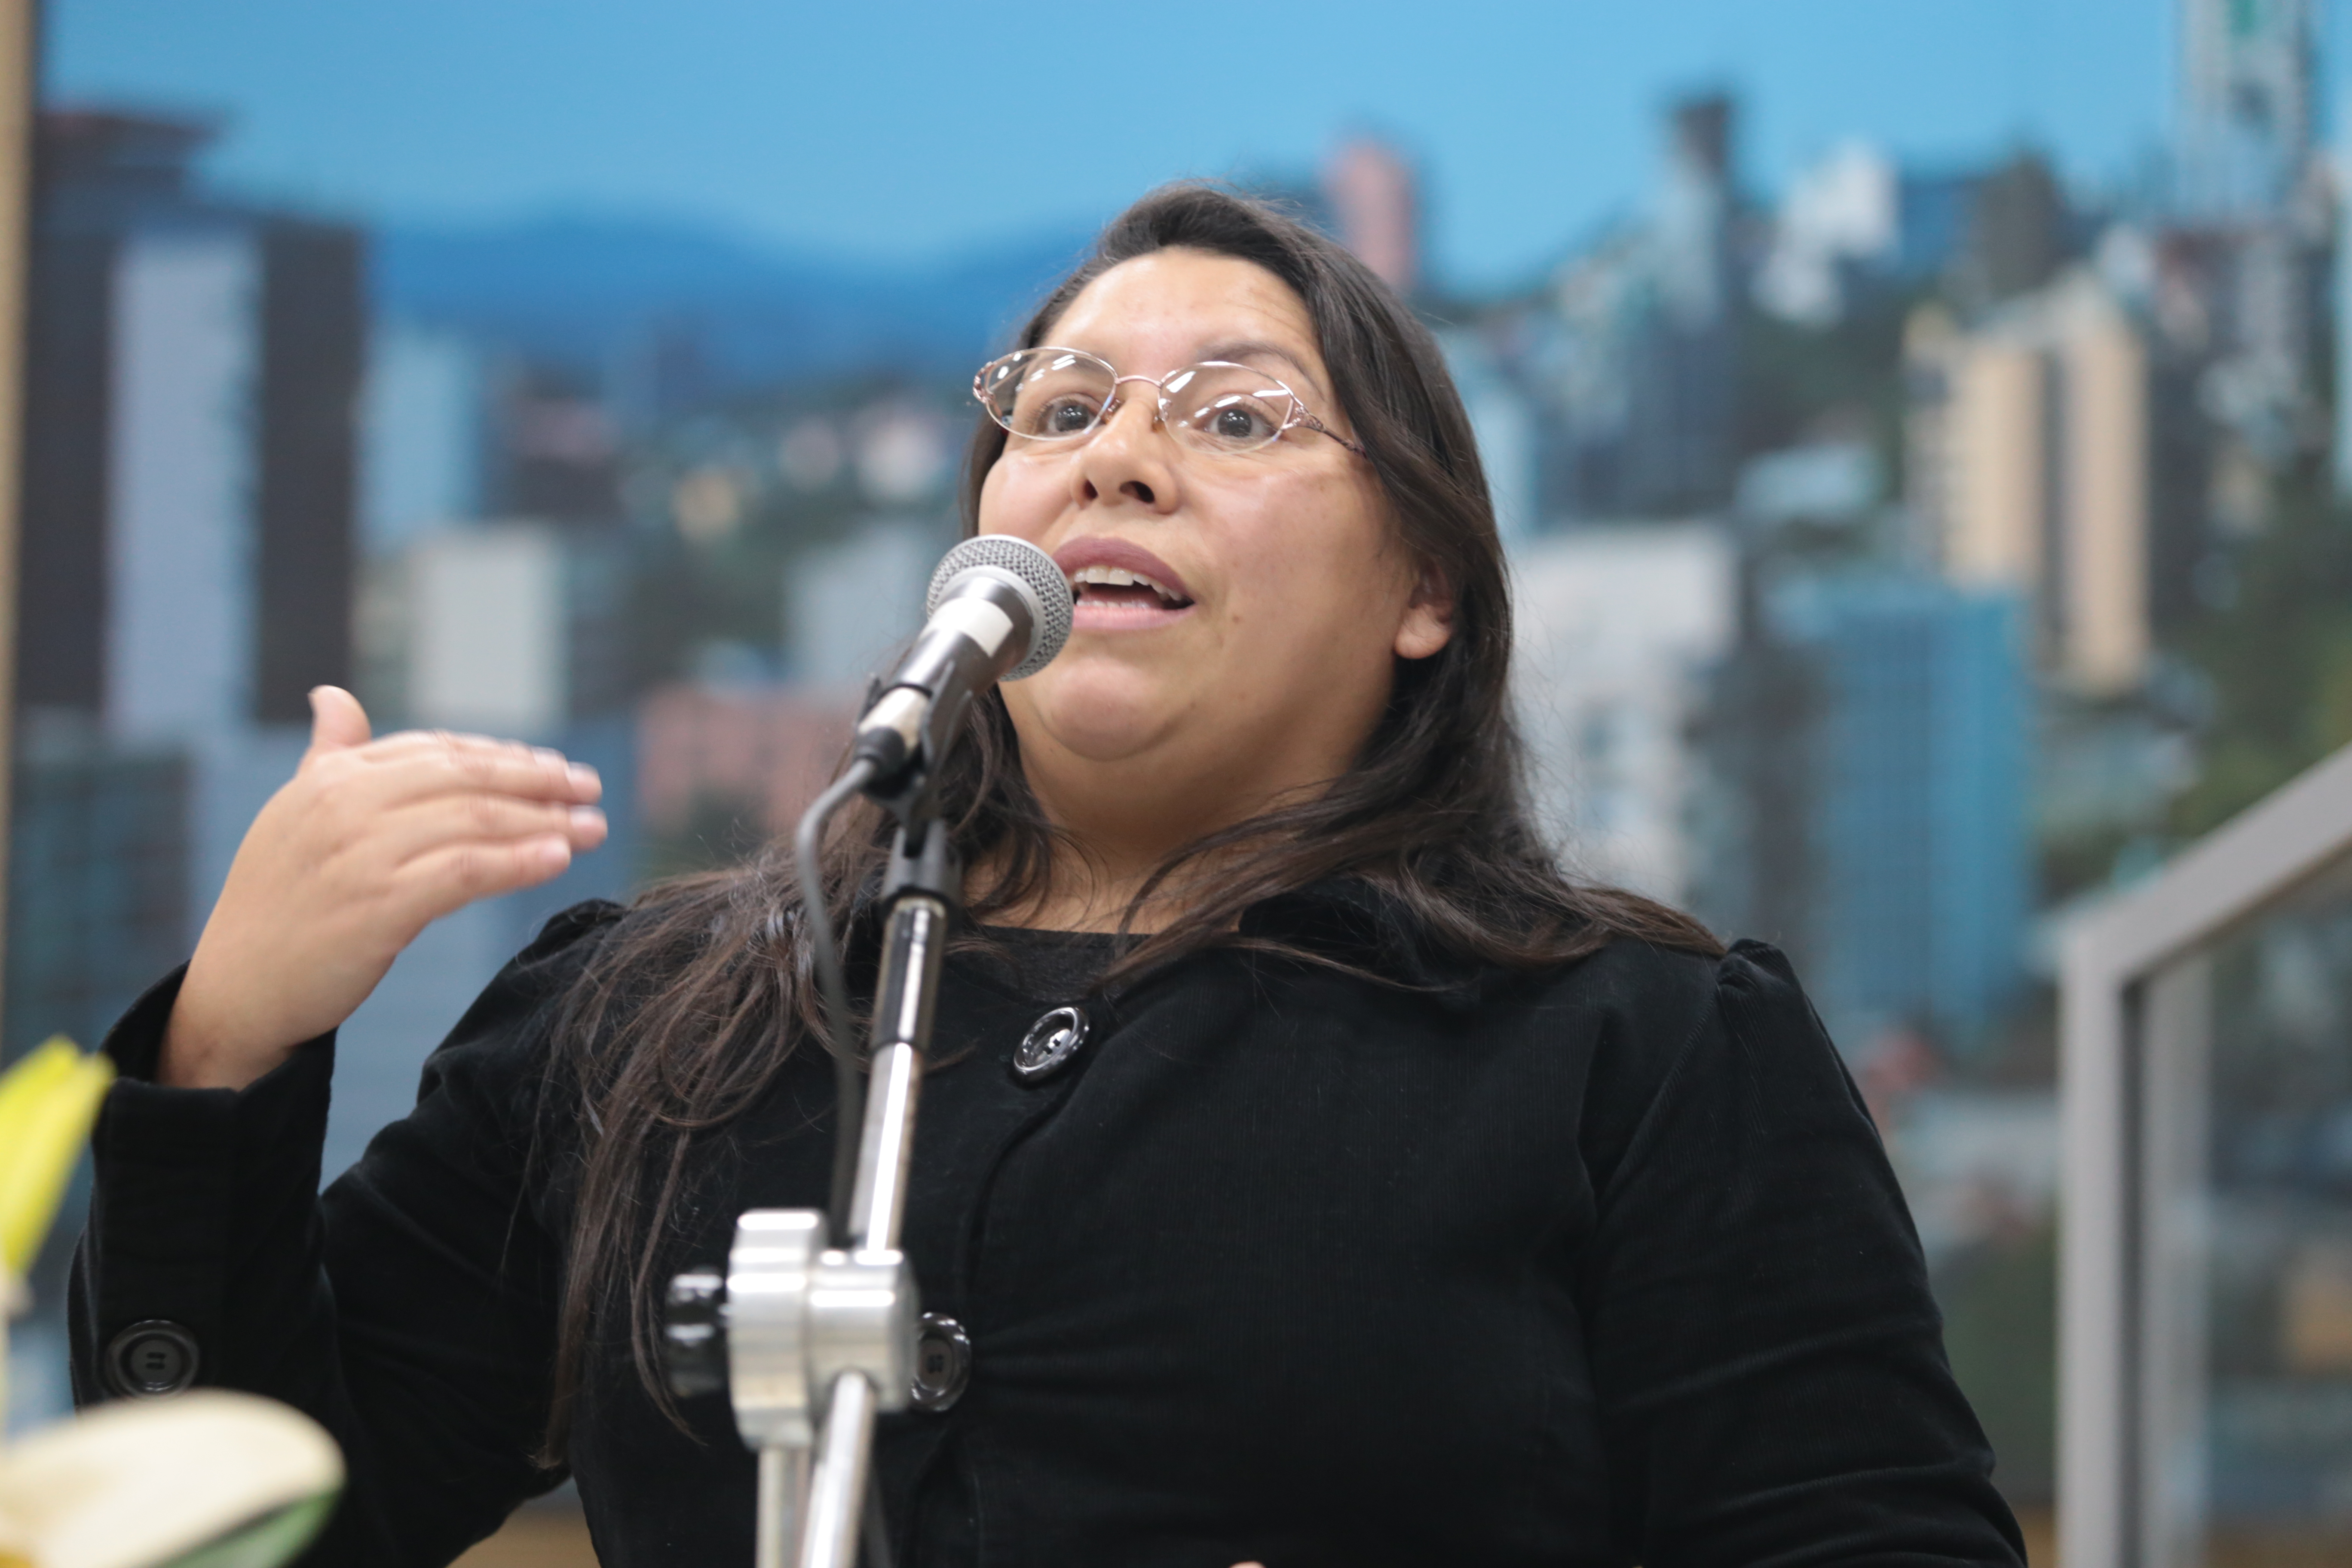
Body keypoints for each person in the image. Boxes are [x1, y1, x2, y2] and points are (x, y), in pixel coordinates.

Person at [72, 184, 2026, 1568]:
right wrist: (228, 1039)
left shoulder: (1636, 1051)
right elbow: (247, 1529)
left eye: (1238, 417)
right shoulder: (654, 1020)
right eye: (1065, 410)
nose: (1116, 459)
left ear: (1427, 587)